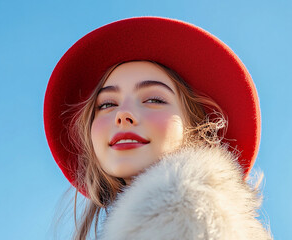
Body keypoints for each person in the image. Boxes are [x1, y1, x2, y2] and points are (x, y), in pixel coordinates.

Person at [44, 17, 272, 239]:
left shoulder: (199, 218)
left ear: (200, 128)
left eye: (153, 99)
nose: (123, 114)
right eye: (106, 104)